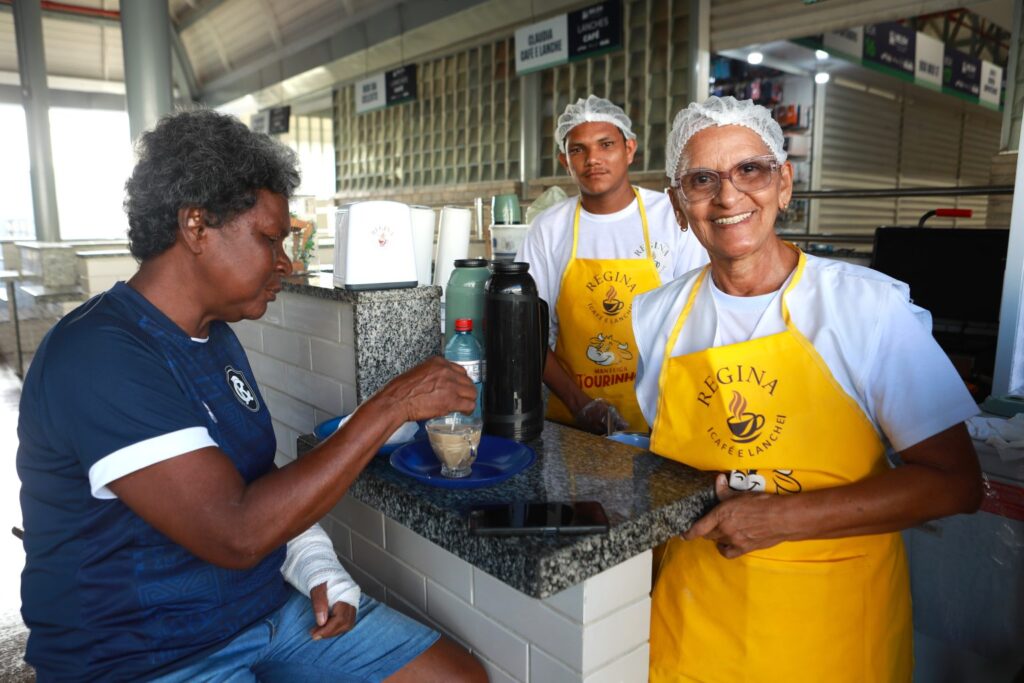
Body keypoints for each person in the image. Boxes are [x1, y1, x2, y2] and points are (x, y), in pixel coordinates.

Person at [16, 109, 487, 683]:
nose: (286, 264)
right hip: (145, 656)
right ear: (196, 227)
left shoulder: (216, 339)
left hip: (260, 612)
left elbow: (256, 482)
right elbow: (236, 532)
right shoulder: (99, 355)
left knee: (458, 679)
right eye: (269, 239)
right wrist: (389, 407)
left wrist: (318, 568)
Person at [632, 96, 983, 682]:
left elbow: (956, 484)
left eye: (750, 169)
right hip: (693, 621)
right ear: (677, 204)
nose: (728, 196)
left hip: (831, 630)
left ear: (784, 183)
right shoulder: (655, 316)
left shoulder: (865, 308)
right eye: (701, 179)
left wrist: (781, 519)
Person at [516, 95, 707, 435]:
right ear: (564, 160)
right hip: (574, 423)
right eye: (578, 149)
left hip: (663, 417)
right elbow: (527, 331)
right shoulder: (548, 228)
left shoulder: (670, 215)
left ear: (629, 149)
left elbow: (698, 319)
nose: (593, 159)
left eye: (606, 144)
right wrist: (581, 405)